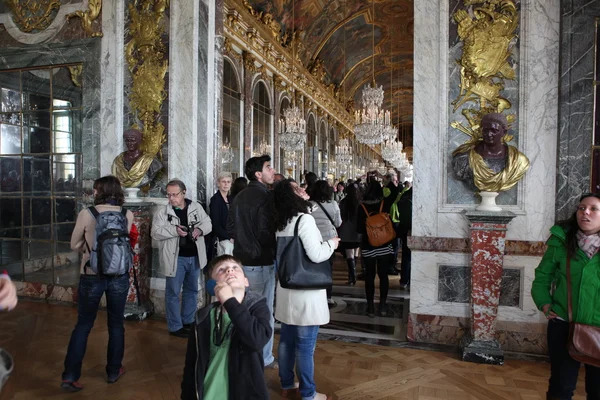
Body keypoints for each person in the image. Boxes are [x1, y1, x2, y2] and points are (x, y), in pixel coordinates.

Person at [61, 176, 134, 392]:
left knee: (83, 325)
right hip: (119, 275)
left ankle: (70, 376)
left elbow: (74, 244)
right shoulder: (126, 214)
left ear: (97, 191)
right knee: (116, 324)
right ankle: (113, 370)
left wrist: (89, 248)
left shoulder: (87, 213)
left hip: (91, 274)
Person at [273, 179, 339, 400]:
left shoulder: (282, 221)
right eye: (297, 188)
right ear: (291, 196)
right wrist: (332, 244)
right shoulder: (304, 220)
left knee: (286, 341)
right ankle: (308, 393)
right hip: (306, 292)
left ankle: (287, 383)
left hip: (287, 289)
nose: (303, 189)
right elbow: (317, 255)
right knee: (305, 346)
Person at [531, 193, 600, 400]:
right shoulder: (561, 240)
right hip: (564, 325)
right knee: (561, 386)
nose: (585, 212)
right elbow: (542, 277)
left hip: (599, 326)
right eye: (581, 208)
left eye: (593, 208)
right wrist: (544, 303)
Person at [180, 255, 272, 400]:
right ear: (213, 285)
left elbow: (257, 340)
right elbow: (192, 364)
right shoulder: (202, 317)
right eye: (221, 270)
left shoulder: (257, 308)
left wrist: (229, 300)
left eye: (235, 268)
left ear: (246, 281)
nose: (230, 270)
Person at [227, 155, 277, 368]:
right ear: (258, 174)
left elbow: (230, 228)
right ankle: (263, 358)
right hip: (261, 262)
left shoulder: (238, 196)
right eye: (268, 167)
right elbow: (266, 232)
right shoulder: (265, 197)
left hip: (242, 261)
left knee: (244, 311)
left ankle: (244, 355)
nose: (272, 170)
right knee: (263, 314)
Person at [151, 179, 212, 338]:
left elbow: (208, 223)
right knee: (173, 293)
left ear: (184, 193)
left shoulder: (196, 207)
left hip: (195, 257)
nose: (171, 198)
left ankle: (188, 321)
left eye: (174, 195)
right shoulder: (162, 212)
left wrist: (199, 229)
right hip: (175, 259)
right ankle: (175, 326)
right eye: (168, 195)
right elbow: (155, 233)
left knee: (191, 290)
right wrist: (174, 231)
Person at [451, 113, 529, 192]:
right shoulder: (464, 159)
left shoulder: (518, 161)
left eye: (494, 131)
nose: (489, 134)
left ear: (504, 132)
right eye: (485, 130)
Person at [356, 181, 396, 318]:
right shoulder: (385, 204)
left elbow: (359, 229)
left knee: (369, 276)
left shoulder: (361, 207)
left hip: (368, 246)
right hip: (384, 245)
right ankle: (383, 305)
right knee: (384, 276)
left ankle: (370, 307)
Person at [308, 180, 342, 307]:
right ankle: (327, 296)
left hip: (312, 238)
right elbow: (338, 223)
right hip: (329, 240)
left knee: (313, 266)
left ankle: (313, 292)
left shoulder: (309, 205)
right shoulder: (333, 204)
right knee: (327, 269)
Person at [339, 183, 362, 285]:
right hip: (358, 230)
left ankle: (352, 277)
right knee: (356, 252)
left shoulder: (344, 202)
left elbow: (341, 216)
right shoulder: (360, 202)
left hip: (346, 229)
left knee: (349, 254)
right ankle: (352, 274)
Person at [210, 172, 233, 256]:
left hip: (232, 237)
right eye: (223, 181)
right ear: (218, 183)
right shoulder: (215, 200)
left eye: (228, 182)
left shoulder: (231, 199)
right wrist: (229, 237)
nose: (226, 184)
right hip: (223, 239)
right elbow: (215, 224)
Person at [396, 187, 413, 290]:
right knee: (410, 257)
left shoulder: (404, 196)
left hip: (403, 229)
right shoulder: (412, 200)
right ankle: (409, 280)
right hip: (411, 230)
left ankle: (403, 280)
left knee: (406, 257)